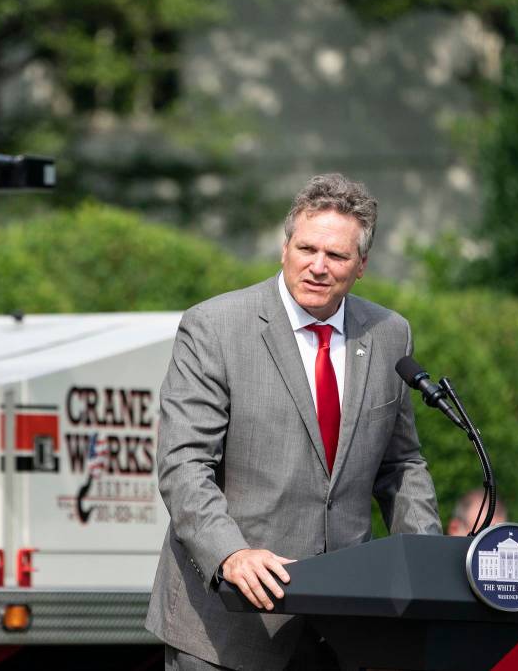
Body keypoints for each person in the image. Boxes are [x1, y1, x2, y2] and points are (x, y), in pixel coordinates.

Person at [145, 173, 442, 670]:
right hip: (228, 624)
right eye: (307, 249)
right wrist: (231, 555)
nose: (319, 267)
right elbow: (184, 464)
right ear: (285, 247)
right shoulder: (215, 327)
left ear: (362, 265)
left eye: (337, 256)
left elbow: (401, 465)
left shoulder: (390, 333)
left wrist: (428, 560)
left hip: (344, 627)